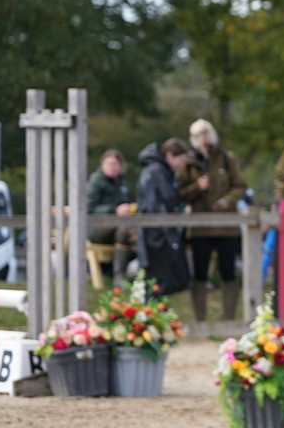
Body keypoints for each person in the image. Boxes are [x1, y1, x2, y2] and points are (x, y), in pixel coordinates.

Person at [179, 119, 248, 321]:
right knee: (199, 273)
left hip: (226, 227)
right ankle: (200, 320)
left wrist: (227, 201)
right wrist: (197, 188)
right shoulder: (188, 163)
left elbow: (240, 186)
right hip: (199, 228)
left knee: (228, 272)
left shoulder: (227, 159)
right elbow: (180, 193)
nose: (204, 139)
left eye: (206, 134)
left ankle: (229, 319)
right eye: (199, 136)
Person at [135, 138, 191, 297]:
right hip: (156, 233)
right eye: (181, 160)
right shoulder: (157, 172)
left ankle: (157, 309)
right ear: (170, 155)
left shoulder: (160, 171)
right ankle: (153, 309)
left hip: (156, 230)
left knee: (161, 280)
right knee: (158, 280)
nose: (182, 164)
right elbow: (164, 200)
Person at [86, 149, 137, 286]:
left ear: (121, 166)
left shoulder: (121, 183)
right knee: (125, 230)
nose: (112, 167)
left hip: (118, 225)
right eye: (109, 164)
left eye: (115, 164)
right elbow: (89, 209)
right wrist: (114, 210)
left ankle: (119, 275)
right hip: (96, 227)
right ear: (102, 164)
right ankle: (119, 277)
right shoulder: (95, 182)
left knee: (134, 231)